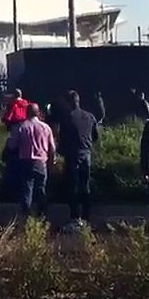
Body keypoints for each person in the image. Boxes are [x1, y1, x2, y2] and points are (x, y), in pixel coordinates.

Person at [56, 91, 100, 229]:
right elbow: (95, 136)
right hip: (86, 153)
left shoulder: (67, 118)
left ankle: (75, 217)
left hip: (72, 154)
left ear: (69, 102)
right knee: (85, 185)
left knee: (73, 185)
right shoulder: (90, 116)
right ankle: (87, 216)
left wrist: (60, 152)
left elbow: (62, 140)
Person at [6, 103, 55, 221]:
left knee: (27, 191)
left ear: (26, 113)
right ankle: (43, 218)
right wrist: (51, 164)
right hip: (41, 162)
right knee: (41, 191)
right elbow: (52, 148)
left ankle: (26, 219)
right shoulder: (46, 127)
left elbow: (12, 146)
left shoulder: (21, 127)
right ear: (38, 113)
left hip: (26, 162)